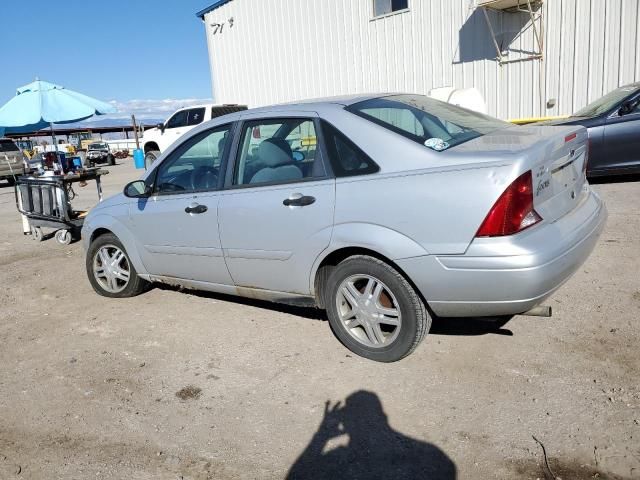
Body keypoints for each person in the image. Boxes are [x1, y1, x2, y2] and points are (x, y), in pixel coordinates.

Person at [286, 390, 456, 480]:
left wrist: (321, 436)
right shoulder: (435, 456)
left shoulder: (336, 457)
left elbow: (295, 476)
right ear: (383, 416)